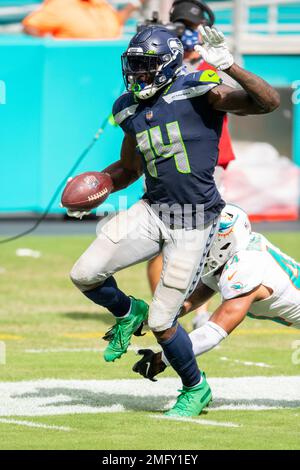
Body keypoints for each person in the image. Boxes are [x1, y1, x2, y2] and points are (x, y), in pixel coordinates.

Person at [68, 25, 280, 417]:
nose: (138, 75)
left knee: (164, 319)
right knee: (85, 273)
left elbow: (266, 103)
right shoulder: (127, 106)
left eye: (147, 67)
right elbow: (130, 167)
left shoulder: (200, 89)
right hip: (152, 210)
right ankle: (126, 312)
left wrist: (230, 65)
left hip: (195, 222)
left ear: (167, 65)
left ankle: (195, 388)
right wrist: (98, 189)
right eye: (134, 66)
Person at [133, 204, 300, 384]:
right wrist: (147, 322)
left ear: (224, 240)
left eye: (205, 239)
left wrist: (162, 360)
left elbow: (212, 333)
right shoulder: (233, 255)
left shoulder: (245, 267)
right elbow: (191, 299)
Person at [147, 0, 235, 330]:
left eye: (190, 26)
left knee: (211, 240)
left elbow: (235, 94)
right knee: (164, 240)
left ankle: (196, 311)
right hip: (167, 157)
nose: (184, 32)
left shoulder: (208, 58)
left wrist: (205, 56)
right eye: (179, 25)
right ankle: (163, 313)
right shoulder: (158, 58)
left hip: (207, 156)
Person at [23, 0, 147, 39]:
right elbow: (31, 26)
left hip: (108, 66)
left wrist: (133, 5)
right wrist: (50, 48)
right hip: (75, 68)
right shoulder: (61, 4)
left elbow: (116, 22)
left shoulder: (100, 4)